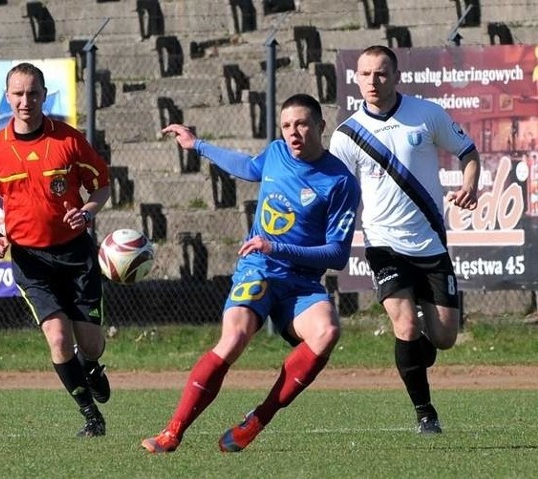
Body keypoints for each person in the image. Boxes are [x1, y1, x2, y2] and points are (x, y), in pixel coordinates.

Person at [141, 93, 361, 453]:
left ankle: (256, 421)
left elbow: (337, 255)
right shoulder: (276, 153)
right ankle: (172, 432)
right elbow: (246, 166)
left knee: (327, 331)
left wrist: (278, 247)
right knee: (234, 339)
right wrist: (198, 145)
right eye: (287, 125)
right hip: (258, 269)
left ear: (321, 127)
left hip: (300, 283)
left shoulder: (340, 182)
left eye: (303, 124)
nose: (294, 133)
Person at [329, 45, 481, 434]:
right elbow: (336, 188)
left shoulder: (426, 115)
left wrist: (470, 185)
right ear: (356, 79)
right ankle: (425, 413)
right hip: (382, 246)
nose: (372, 81)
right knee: (405, 327)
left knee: (444, 337)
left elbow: (467, 151)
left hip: (430, 245)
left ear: (397, 77)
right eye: (365, 74)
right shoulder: (347, 135)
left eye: (380, 74)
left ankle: (415, 352)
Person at [0, 62, 112, 437]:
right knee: (57, 337)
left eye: (33, 93)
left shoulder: (68, 140)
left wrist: (87, 212)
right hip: (31, 261)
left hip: (76, 256)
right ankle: (91, 417)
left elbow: (102, 186)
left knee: (92, 343)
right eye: (18, 93)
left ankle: (93, 365)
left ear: (44, 95)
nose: (25, 100)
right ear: (7, 97)